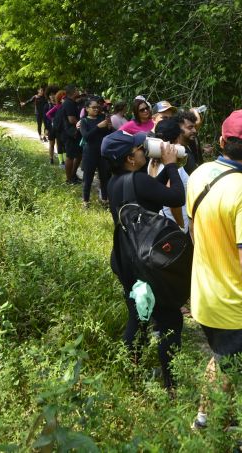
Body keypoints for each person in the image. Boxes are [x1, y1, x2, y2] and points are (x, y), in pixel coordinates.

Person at [186, 109, 242, 430]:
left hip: (203, 293)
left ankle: (216, 418)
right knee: (229, 365)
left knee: (222, 358)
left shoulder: (199, 174)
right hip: (234, 306)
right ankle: (207, 423)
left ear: (222, 140)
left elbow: (194, 230)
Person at [103, 130, 185, 390]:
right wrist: (171, 167)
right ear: (130, 158)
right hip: (150, 263)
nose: (144, 151)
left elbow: (148, 191)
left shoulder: (116, 181)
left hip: (127, 260)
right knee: (170, 320)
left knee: (138, 316)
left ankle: (131, 373)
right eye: (140, 149)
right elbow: (176, 197)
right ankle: (171, 385)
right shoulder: (138, 181)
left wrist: (163, 170)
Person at [149, 118, 190, 232]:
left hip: (160, 219)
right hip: (175, 223)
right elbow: (173, 201)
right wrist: (181, 225)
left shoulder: (154, 160)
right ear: (178, 138)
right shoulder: (172, 166)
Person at [79, 97, 112, 209]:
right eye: (93, 107)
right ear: (87, 109)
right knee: (88, 178)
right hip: (90, 153)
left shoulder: (102, 118)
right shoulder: (84, 121)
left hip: (102, 152)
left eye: (98, 107)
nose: (96, 109)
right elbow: (86, 136)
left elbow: (108, 134)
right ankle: (85, 201)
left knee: (104, 177)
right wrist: (98, 127)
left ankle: (104, 199)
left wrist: (109, 127)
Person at [61, 85, 84, 184]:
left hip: (75, 133)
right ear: (74, 92)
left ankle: (73, 175)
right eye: (77, 90)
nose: (78, 91)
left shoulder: (72, 102)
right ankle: (69, 179)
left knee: (78, 155)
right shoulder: (68, 103)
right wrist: (82, 124)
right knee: (70, 156)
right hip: (70, 133)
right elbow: (71, 119)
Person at [174, 109, 200, 175]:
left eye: (194, 127)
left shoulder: (190, 144)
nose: (194, 130)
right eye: (190, 127)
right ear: (178, 128)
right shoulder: (176, 152)